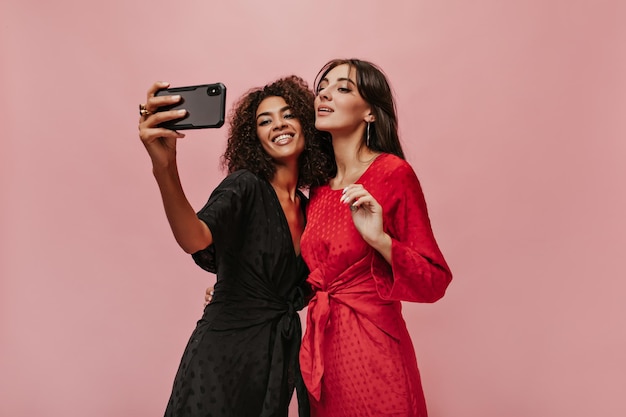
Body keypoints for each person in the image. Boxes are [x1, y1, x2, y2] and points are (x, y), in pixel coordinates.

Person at [138, 75, 333, 417]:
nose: (278, 125)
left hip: (273, 363)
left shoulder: (309, 207)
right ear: (253, 137)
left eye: (288, 115)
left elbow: (315, 286)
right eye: (264, 121)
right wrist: (165, 167)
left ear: (305, 123)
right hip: (221, 356)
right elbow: (194, 237)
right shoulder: (244, 186)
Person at [298, 59, 453, 417]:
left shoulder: (392, 173)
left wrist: (381, 240)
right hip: (324, 357)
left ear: (369, 112)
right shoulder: (319, 188)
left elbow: (434, 281)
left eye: (343, 88)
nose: (324, 92)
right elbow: (310, 278)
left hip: (374, 354)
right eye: (324, 85)